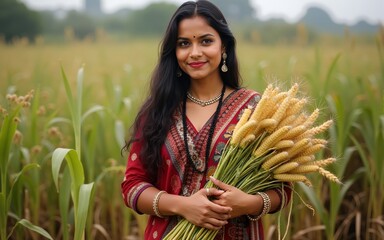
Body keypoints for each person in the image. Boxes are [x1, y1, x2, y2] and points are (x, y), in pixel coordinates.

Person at [121, 1, 290, 239]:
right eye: (184, 44)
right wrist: (183, 205)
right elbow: (132, 186)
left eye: (206, 41)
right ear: (174, 51)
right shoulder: (158, 110)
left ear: (224, 47)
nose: (195, 52)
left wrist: (248, 203)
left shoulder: (256, 111)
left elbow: (282, 189)